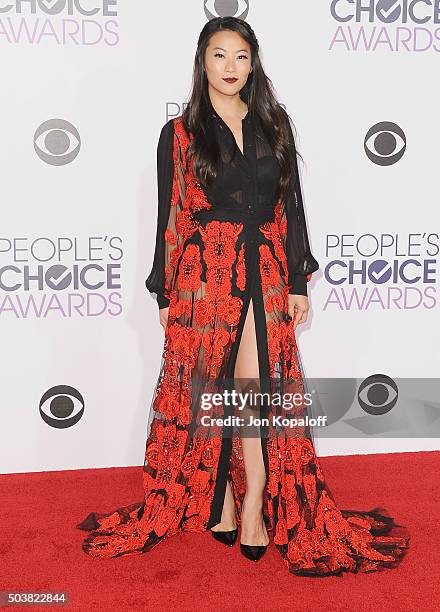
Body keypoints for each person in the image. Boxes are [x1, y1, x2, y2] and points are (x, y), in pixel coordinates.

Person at [76, 16, 410, 576]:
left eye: (240, 57)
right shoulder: (180, 133)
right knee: (213, 392)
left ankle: (253, 500)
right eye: (218, 56)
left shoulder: (275, 125)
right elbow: (170, 216)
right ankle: (222, 499)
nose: (230, 68)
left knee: (255, 392)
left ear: (254, 63)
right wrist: (164, 290)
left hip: (268, 270)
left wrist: (299, 282)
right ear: (201, 62)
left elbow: (293, 207)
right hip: (205, 275)